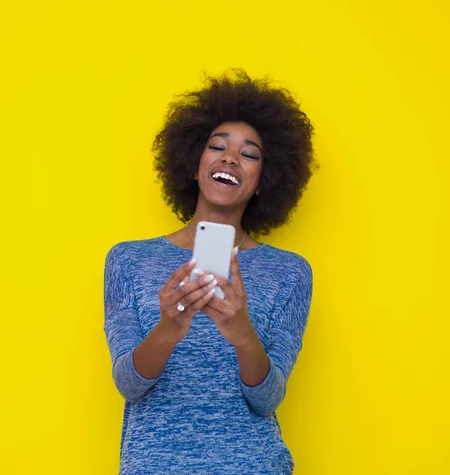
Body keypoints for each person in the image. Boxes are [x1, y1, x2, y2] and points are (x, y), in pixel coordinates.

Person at [103, 68, 319, 474]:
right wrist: (168, 328)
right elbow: (129, 385)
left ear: (262, 182)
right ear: (192, 162)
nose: (230, 157)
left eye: (249, 154)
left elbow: (267, 399)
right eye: (216, 146)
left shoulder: (290, 272)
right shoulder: (128, 261)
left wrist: (241, 332)